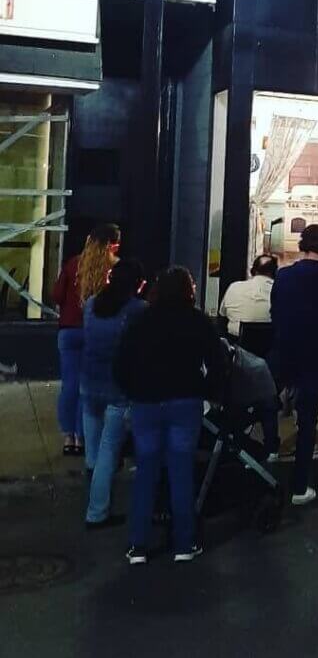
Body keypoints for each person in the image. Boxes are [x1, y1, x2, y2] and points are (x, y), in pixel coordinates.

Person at [114, 266, 227, 565]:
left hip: (146, 403)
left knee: (146, 472)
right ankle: (184, 543)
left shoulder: (141, 320)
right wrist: (207, 391)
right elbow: (217, 363)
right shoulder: (197, 320)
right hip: (184, 401)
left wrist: (132, 390)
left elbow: (122, 363)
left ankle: (138, 545)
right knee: (181, 472)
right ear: (188, 290)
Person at [270, 224, 318, 505]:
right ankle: (300, 485)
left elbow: (274, 311)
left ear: (302, 245)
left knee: (266, 403)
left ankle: (266, 452)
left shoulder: (285, 275)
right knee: (308, 420)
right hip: (317, 353)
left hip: (285, 348)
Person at [81, 259, 146, 529]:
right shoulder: (137, 310)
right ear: (137, 285)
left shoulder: (92, 305)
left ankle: (94, 497)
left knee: (94, 454)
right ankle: (97, 512)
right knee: (109, 452)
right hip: (118, 389)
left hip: (89, 384)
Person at [52, 224, 121, 456]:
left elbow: (56, 295)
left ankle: (68, 437)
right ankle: (83, 437)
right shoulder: (113, 268)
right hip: (95, 333)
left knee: (69, 385)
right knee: (87, 386)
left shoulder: (73, 263)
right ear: (112, 244)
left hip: (68, 332)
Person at [218, 254, 276, 337]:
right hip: (270, 344)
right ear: (275, 272)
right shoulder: (279, 290)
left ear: (252, 271)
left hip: (236, 343)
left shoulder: (234, 287)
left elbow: (222, 315)